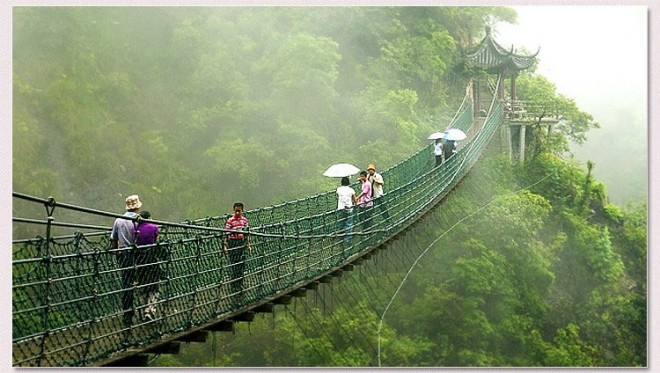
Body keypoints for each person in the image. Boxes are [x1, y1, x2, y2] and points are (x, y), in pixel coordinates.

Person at [110, 194, 142, 326]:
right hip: (138, 254)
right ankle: (144, 311)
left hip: (124, 254)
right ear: (137, 208)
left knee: (127, 284)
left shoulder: (118, 220)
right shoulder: (139, 219)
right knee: (142, 282)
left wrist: (117, 252)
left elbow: (113, 239)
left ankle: (127, 313)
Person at [133, 210, 162, 322]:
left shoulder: (134, 229)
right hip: (151, 259)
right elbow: (156, 242)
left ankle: (142, 310)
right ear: (149, 218)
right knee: (154, 286)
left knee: (142, 286)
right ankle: (149, 310)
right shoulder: (153, 227)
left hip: (139, 260)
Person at [223, 202, 251, 300]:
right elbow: (225, 233)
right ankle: (234, 284)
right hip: (233, 243)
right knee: (234, 263)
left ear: (242, 211)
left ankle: (240, 283)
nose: (237, 213)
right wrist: (225, 246)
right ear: (233, 210)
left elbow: (247, 233)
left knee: (241, 263)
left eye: (239, 211)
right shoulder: (230, 221)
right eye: (236, 211)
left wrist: (248, 245)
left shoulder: (244, 221)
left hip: (241, 243)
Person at [336, 176, 357, 245]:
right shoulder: (351, 190)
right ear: (348, 182)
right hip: (349, 208)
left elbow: (337, 196)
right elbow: (354, 200)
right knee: (349, 224)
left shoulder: (338, 189)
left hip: (341, 208)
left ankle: (340, 238)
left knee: (341, 223)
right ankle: (348, 240)